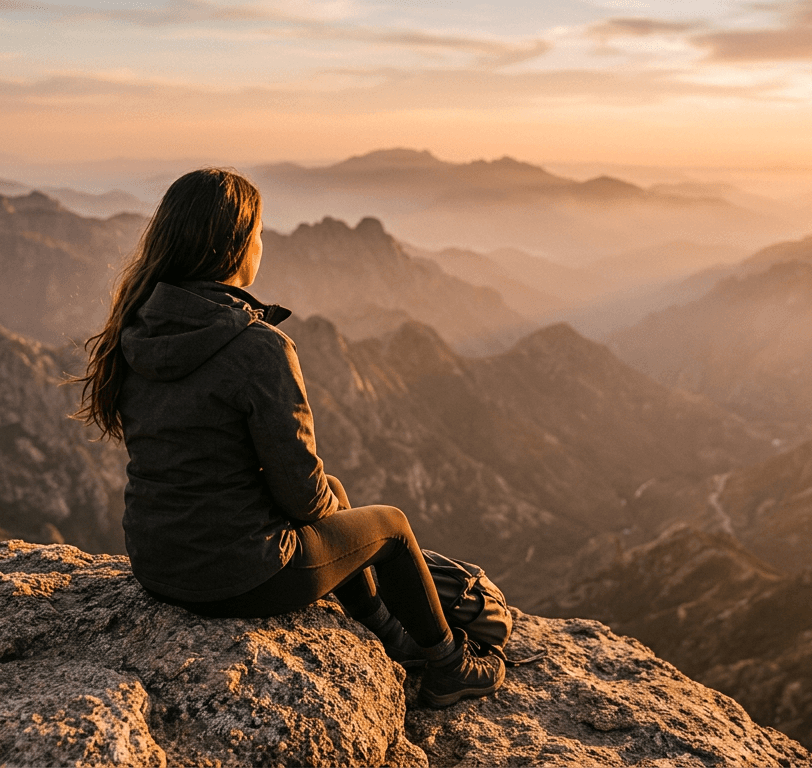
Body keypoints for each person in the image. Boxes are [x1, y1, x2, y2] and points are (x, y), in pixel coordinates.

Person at [72, 168, 503, 708]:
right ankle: (449, 665)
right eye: (257, 232)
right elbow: (300, 493)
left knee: (338, 493)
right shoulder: (258, 349)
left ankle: (390, 637)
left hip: (156, 563)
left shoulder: (135, 329)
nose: (262, 243)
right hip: (238, 578)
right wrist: (328, 516)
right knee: (391, 526)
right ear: (232, 247)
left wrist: (329, 506)